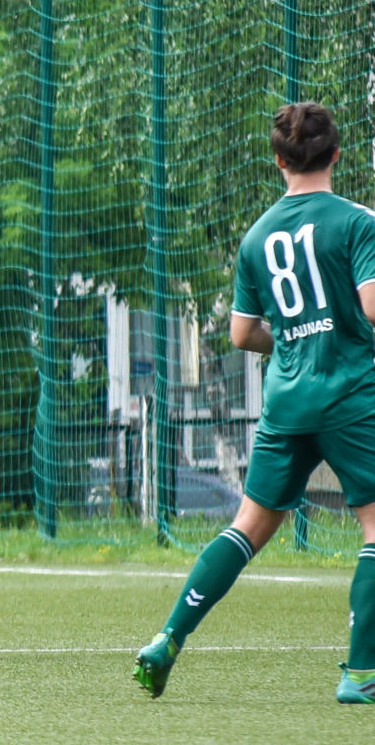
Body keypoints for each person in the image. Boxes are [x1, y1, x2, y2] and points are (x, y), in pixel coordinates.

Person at [132, 102, 375, 704]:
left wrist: (293, 337)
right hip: (350, 395)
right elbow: (372, 307)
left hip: (285, 400)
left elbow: (242, 334)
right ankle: (361, 674)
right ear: (336, 154)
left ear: (279, 161)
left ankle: (168, 637)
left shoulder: (256, 237)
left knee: (247, 527)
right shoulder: (358, 222)